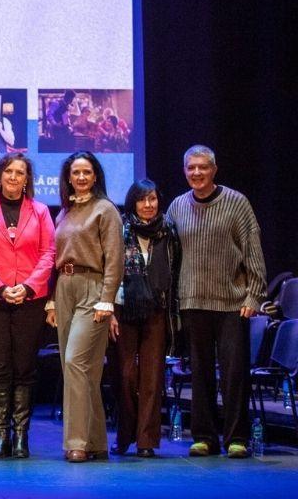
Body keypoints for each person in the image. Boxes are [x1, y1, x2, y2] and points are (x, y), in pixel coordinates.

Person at [165, 145, 266, 459]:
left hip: (232, 304)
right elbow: (167, 255)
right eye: (191, 168)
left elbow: (253, 251)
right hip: (193, 303)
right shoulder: (177, 207)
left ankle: (237, 438)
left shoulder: (237, 203)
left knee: (235, 374)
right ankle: (204, 437)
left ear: (214, 169)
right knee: (200, 373)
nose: (196, 173)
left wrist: (255, 294)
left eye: (202, 167)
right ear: (185, 171)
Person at [0, 154, 56, 459]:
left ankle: (21, 438)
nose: (14, 177)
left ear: (27, 178)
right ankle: (2, 436)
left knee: (24, 367)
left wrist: (27, 286)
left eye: (20, 173)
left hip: (31, 298)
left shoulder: (41, 211)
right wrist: (1, 288)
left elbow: (48, 253)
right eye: (9, 172)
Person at [46, 151, 123, 463]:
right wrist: (51, 298)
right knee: (80, 371)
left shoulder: (105, 210)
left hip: (93, 288)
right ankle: (97, 442)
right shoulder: (64, 212)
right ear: (68, 177)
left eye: (86, 172)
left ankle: (76, 442)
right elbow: (54, 259)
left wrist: (108, 299)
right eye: (75, 172)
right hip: (65, 288)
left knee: (76, 363)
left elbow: (115, 259)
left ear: (95, 176)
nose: (80, 178)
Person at [110, 179, 180, 458]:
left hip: (157, 310)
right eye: (142, 200)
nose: (148, 205)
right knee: (125, 376)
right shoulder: (120, 228)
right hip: (124, 308)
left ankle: (146, 440)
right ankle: (126, 434)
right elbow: (111, 269)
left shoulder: (168, 231)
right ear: (133, 202)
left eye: (152, 199)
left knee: (151, 378)